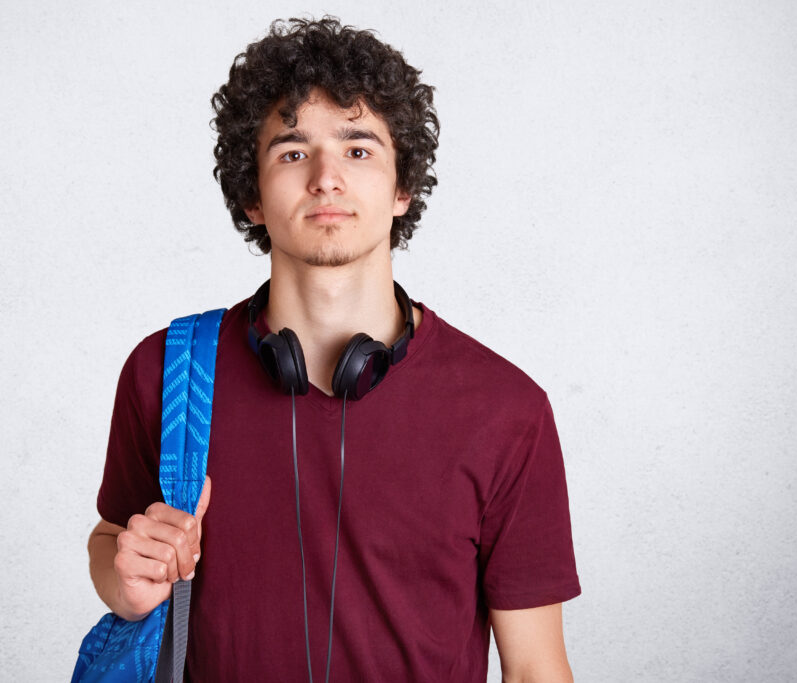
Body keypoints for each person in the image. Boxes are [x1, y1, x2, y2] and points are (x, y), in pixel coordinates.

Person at [87, 17, 580, 682]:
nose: (325, 178)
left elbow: (535, 670)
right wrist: (126, 583)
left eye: (358, 149)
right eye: (292, 152)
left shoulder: (507, 411)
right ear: (252, 195)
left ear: (402, 188)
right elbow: (113, 539)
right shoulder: (168, 373)